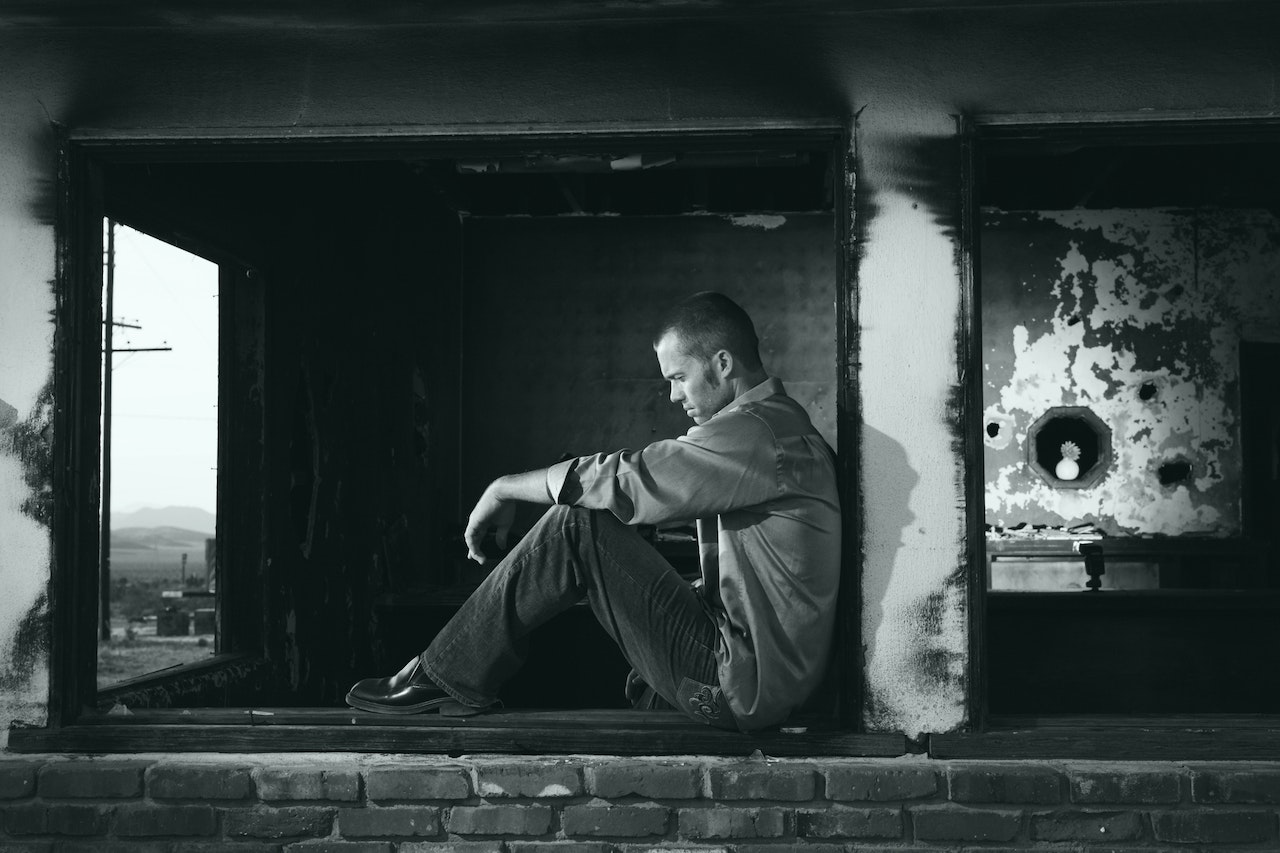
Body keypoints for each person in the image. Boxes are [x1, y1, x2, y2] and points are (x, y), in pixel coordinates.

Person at [346, 291, 841, 731]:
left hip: (742, 689)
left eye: (679, 377)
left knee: (578, 522)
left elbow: (630, 479)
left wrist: (502, 489)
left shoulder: (758, 434)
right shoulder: (777, 429)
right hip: (756, 681)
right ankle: (448, 675)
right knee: (594, 526)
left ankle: (442, 676)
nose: (673, 395)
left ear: (724, 364)